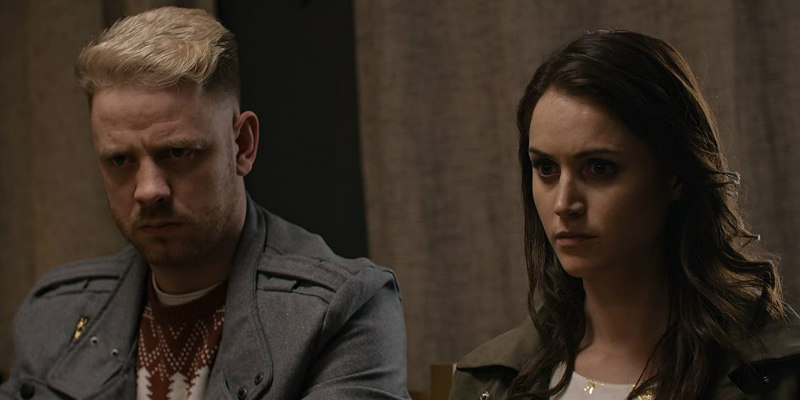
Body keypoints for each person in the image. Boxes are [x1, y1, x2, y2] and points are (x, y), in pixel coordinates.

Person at [0, 7, 409, 400]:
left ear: (242, 145)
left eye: (179, 153)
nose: (148, 190)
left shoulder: (340, 313)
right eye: (120, 161)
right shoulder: (56, 313)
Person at [449, 30, 800, 400]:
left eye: (599, 167)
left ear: (674, 175)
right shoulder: (490, 383)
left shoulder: (779, 375)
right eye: (546, 168)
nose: (564, 203)